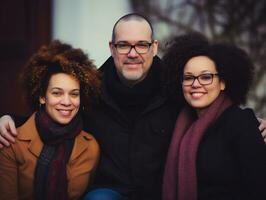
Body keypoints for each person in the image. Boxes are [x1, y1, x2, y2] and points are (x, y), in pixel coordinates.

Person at [0, 14, 266, 200]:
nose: (133, 53)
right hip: (109, 192)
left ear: (154, 47)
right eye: (124, 45)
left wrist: (256, 128)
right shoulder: (92, 90)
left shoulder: (177, 89)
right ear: (112, 48)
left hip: (160, 191)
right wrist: (9, 119)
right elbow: (57, 113)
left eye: (141, 45)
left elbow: (215, 120)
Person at [162, 33, 266, 200]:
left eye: (206, 77)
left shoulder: (241, 123)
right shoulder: (179, 126)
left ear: (223, 82)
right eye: (188, 78)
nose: (196, 84)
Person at [0, 40, 101, 200]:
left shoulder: (90, 147)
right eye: (57, 93)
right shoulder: (11, 142)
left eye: (74, 94)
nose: (67, 102)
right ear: (42, 97)